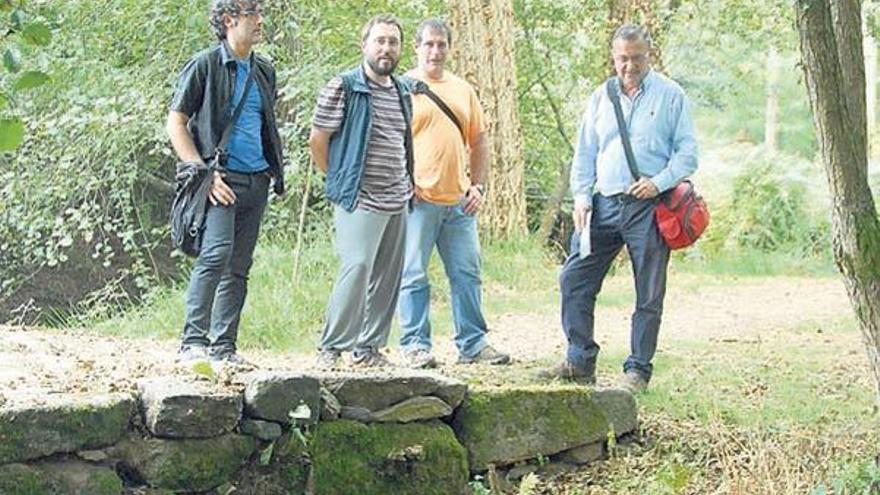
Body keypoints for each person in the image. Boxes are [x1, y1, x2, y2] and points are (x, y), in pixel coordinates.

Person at [540, 24, 698, 392]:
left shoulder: (671, 95)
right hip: (604, 204)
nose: (629, 66)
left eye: (637, 58)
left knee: (649, 290)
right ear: (614, 58)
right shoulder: (600, 97)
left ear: (650, 56)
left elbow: (688, 153)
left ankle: (637, 370)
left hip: (649, 206)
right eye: (622, 59)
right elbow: (585, 153)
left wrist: (658, 182)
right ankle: (579, 360)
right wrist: (581, 196)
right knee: (574, 278)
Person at [167, 0, 284, 364]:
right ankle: (193, 343)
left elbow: (264, 127)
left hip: (257, 178)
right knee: (215, 254)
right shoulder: (204, 64)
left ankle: (223, 348)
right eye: (253, 14)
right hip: (219, 178)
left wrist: (273, 174)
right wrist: (202, 173)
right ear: (229, 20)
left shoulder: (264, 70)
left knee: (239, 265)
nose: (260, 20)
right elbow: (176, 123)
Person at [397, 18, 510, 369]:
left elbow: (478, 140)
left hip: (459, 200)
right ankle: (416, 345)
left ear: (449, 47)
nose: (435, 51)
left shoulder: (463, 90)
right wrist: (403, 180)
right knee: (413, 273)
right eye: (429, 44)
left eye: (441, 44)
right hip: (418, 199)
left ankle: (473, 344)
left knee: (467, 272)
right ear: (417, 47)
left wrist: (478, 185)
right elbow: (387, 140)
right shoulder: (401, 88)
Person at [309, 14, 414, 368]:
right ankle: (332, 347)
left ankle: (368, 349)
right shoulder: (344, 86)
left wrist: (408, 184)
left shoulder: (402, 90)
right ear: (365, 45)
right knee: (356, 267)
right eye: (380, 40)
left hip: (397, 197)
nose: (386, 48)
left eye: (393, 42)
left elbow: (401, 141)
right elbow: (318, 140)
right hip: (360, 197)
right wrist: (338, 180)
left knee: (388, 277)